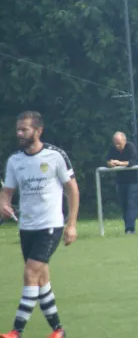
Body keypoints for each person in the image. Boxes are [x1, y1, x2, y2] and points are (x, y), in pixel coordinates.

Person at [0, 111, 79, 338]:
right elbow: (6, 193)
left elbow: (72, 190)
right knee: (41, 279)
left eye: (24, 129)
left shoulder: (56, 156)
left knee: (30, 273)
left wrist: (71, 224)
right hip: (27, 228)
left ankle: (17, 331)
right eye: (18, 129)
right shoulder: (15, 160)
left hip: (50, 227)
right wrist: (4, 204)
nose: (19, 133)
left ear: (38, 131)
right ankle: (58, 331)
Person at [106, 131, 138, 234]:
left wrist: (120, 163)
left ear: (124, 141)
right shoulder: (112, 149)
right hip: (120, 181)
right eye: (115, 143)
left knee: (131, 204)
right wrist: (110, 164)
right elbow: (107, 160)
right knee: (124, 205)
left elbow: (133, 161)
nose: (117, 145)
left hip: (132, 181)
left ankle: (130, 228)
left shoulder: (130, 147)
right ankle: (128, 227)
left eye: (119, 143)